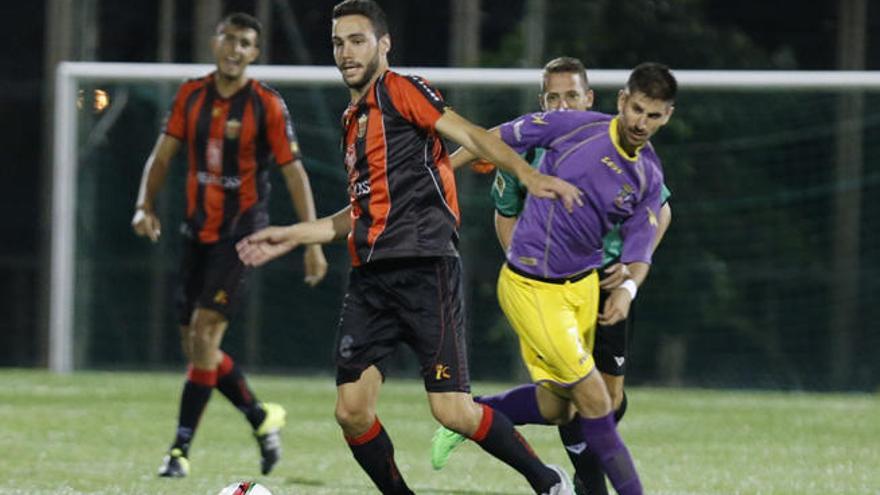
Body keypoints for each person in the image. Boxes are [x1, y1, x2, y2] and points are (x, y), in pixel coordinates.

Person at [236, 1, 584, 493]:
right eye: (338, 42)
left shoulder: (403, 89)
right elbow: (356, 215)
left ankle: (548, 482)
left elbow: (470, 135)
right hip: (370, 279)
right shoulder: (351, 120)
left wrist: (526, 172)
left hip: (426, 270)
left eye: (357, 40)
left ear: (383, 44)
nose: (346, 52)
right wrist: (292, 234)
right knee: (352, 412)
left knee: (453, 411)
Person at [433, 57, 673, 495]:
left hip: (594, 285)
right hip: (536, 288)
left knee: (572, 406)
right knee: (594, 398)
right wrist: (438, 173)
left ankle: (474, 416)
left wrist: (631, 285)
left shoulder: (646, 171)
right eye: (637, 109)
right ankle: (591, 487)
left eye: (653, 115)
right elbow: (490, 146)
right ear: (623, 102)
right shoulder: (559, 134)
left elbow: (651, 222)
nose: (641, 121)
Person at [131, 12, 328, 478]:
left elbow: (294, 173)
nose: (236, 49)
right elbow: (162, 155)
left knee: (203, 335)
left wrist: (313, 239)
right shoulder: (190, 95)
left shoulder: (267, 105)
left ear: (254, 53)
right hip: (196, 231)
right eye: (230, 39)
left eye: (246, 43)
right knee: (196, 345)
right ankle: (260, 416)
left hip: (243, 236)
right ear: (215, 41)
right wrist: (144, 205)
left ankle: (179, 450)